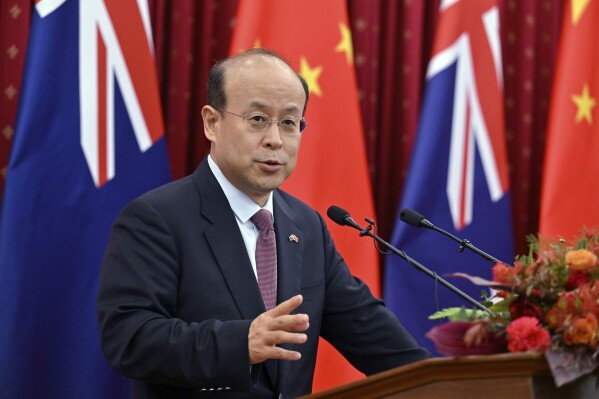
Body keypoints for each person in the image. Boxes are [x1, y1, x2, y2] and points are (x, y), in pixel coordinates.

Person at [97, 48, 429, 399]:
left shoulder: (306, 226)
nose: (275, 139)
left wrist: (450, 381)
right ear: (212, 122)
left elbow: (371, 333)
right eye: (257, 119)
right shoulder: (156, 218)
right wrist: (241, 343)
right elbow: (128, 338)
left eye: (289, 123)